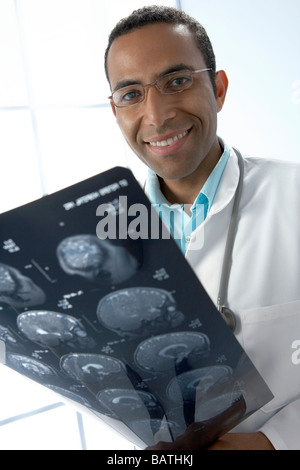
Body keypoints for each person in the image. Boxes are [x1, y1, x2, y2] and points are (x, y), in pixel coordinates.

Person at [104, 5, 300, 450]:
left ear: (219, 88)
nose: (157, 115)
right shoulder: (107, 231)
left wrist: (273, 442)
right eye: (131, 94)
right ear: (115, 111)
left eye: (177, 81)